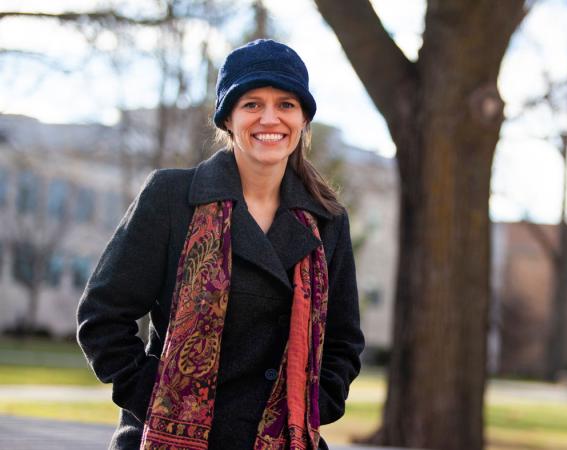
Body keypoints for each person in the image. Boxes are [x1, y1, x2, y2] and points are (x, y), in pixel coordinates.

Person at [76, 39, 364, 450]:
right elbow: (103, 317)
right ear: (228, 118)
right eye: (252, 104)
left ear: (303, 119)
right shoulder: (171, 197)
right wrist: (156, 400)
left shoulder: (327, 222)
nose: (270, 118)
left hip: (280, 441)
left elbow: (343, 341)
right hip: (169, 439)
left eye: (286, 104)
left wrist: (312, 407)